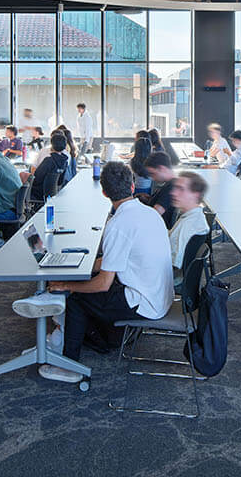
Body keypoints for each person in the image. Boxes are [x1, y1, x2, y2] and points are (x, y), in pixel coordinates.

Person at [40, 162, 173, 383]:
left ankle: (69, 366)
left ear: (104, 193)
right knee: (84, 284)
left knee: (76, 300)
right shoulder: (149, 213)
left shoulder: (118, 224)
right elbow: (118, 258)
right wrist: (84, 266)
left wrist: (68, 286)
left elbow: (103, 284)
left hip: (144, 303)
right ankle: (58, 340)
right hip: (160, 294)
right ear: (132, 187)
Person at [166, 171, 209, 266]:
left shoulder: (188, 225)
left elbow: (174, 264)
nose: (173, 193)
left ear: (196, 195)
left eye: (181, 189)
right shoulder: (192, 217)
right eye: (175, 188)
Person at [30, 132, 71, 202]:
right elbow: (60, 182)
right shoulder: (65, 161)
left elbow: (37, 178)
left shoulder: (48, 161)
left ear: (52, 144)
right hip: (52, 193)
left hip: (38, 192)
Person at [143, 152, 180, 227]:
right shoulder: (168, 184)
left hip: (156, 227)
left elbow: (155, 213)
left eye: (152, 173)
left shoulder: (171, 187)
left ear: (161, 169)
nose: (152, 178)